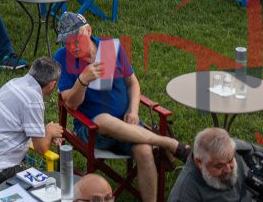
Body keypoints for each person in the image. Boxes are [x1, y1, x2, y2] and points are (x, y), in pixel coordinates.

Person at [55, 12, 189, 202]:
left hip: (127, 126)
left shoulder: (109, 48)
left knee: (144, 151)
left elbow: (132, 83)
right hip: (92, 132)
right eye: (66, 42)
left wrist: (133, 110)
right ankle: (169, 143)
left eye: (76, 40)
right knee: (103, 119)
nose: (71, 47)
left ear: (88, 31)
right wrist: (83, 80)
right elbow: (70, 103)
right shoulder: (62, 57)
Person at [0, 57, 65, 191]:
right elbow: (41, 148)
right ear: (52, 84)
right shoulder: (33, 99)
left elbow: (22, 128)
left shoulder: (14, 83)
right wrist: (49, 132)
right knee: (49, 190)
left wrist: (45, 134)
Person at [167, 128, 254, 202]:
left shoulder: (238, 150)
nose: (228, 169)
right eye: (219, 166)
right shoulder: (185, 195)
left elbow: (258, 155)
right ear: (199, 163)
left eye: (230, 161)